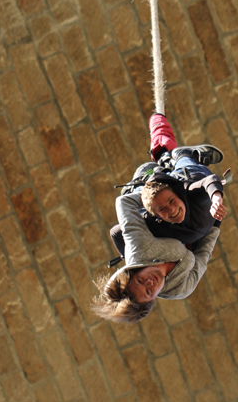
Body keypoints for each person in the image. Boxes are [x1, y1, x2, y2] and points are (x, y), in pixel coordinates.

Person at [91, 114, 227, 324]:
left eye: (140, 280)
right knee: (192, 210)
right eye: (148, 292)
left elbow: (124, 204)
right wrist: (215, 224)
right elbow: (203, 255)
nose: (150, 282)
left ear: (134, 273)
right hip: (191, 227)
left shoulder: (139, 249)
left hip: (158, 213)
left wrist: (155, 202)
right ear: (152, 300)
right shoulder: (180, 288)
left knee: (180, 171)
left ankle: (172, 158)